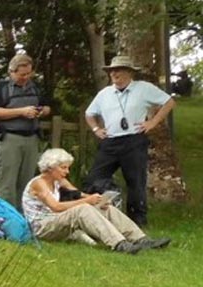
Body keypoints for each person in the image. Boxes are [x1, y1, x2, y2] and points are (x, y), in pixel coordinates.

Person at [22, 148, 171, 254]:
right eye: (63, 168)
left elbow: (78, 194)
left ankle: (140, 239)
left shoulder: (58, 180)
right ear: (51, 167)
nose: (67, 172)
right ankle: (119, 244)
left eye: (67, 168)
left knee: (105, 207)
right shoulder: (39, 183)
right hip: (41, 227)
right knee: (82, 209)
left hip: (55, 221)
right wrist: (87, 202)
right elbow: (56, 206)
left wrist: (97, 200)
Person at [84, 55, 176, 226]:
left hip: (134, 140)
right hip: (110, 141)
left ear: (129, 72)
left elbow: (169, 102)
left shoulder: (143, 88)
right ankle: (95, 215)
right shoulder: (104, 93)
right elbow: (89, 114)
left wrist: (152, 122)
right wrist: (96, 129)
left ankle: (137, 221)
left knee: (135, 181)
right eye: (112, 71)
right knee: (94, 178)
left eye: (118, 70)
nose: (114, 73)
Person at [0, 54, 51, 208]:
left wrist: (42, 111)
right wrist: (21, 112)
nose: (26, 77)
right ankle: (7, 220)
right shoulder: (0, 87)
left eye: (29, 74)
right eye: (22, 74)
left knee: (27, 182)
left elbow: (48, 107)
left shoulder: (35, 87)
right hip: (9, 139)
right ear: (12, 72)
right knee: (7, 183)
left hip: (32, 139)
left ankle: (24, 217)